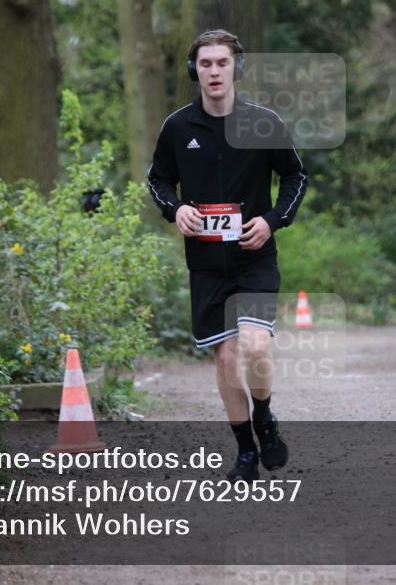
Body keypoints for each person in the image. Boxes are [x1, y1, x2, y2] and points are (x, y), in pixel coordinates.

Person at [147, 29, 308, 482]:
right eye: (205, 64)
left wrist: (271, 220)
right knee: (224, 358)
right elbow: (158, 180)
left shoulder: (263, 122)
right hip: (206, 264)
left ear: (237, 67)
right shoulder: (178, 127)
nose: (214, 71)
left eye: (222, 62)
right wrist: (176, 209)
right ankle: (245, 451)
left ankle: (265, 417)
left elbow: (295, 177)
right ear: (193, 70)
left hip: (254, 258)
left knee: (255, 346)